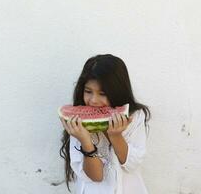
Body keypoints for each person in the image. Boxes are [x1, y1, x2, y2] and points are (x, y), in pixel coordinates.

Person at [58, 54, 151, 194]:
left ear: (117, 92)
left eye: (103, 93)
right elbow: (96, 176)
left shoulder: (135, 116)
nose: (94, 100)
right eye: (88, 91)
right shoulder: (78, 123)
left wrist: (116, 136)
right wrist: (85, 141)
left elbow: (132, 165)